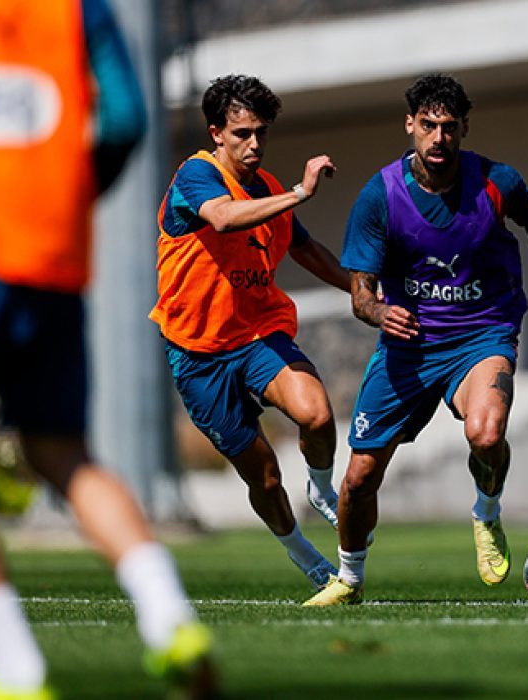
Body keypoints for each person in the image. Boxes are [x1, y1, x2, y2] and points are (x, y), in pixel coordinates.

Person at [0, 1, 214, 698]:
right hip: (48, 261)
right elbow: (121, 120)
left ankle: (14, 667)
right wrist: (63, 199)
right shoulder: (80, 9)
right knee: (62, 452)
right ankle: (169, 615)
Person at [304, 73, 528, 606]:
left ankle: (486, 512)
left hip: (483, 333)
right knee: (359, 478)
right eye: (429, 126)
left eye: (450, 128)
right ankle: (349, 579)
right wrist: (378, 312)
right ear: (410, 125)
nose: (439, 138)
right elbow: (360, 292)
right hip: (410, 346)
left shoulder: (496, 181)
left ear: (464, 128)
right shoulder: (381, 195)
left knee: (486, 434)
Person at [151, 75, 351, 595]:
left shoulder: (264, 189)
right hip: (198, 354)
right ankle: (304, 555)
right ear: (216, 133)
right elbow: (222, 219)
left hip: (257, 334)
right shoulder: (197, 175)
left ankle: (322, 488)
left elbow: (304, 247)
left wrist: (358, 288)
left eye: (261, 132)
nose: (255, 144)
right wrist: (300, 192)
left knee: (317, 413)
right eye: (242, 133)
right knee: (261, 474)